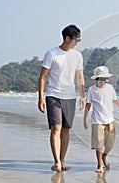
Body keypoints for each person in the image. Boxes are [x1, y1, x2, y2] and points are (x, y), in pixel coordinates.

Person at [38, 24, 85, 172]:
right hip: (53, 95)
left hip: (70, 96)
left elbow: (80, 77)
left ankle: (62, 160)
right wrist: (40, 98)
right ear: (67, 38)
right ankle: (56, 161)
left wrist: (82, 95)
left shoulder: (77, 56)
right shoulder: (51, 54)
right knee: (56, 128)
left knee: (66, 130)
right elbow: (43, 77)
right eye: (75, 40)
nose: (77, 43)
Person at [83, 66, 119, 173]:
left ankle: (104, 156)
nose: (102, 81)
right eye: (100, 79)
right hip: (97, 121)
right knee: (99, 144)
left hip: (110, 120)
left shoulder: (110, 88)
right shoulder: (91, 90)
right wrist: (85, 119)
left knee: (110, 145)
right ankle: (99, 165)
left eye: (104, 79)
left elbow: (115, 100)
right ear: (96, 79)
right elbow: (88, 105)